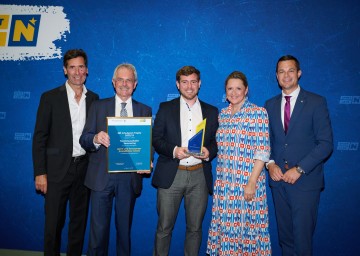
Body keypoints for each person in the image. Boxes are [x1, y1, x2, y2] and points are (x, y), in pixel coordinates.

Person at [79, 63, 152, 256]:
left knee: (124, 231)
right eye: (120, 79)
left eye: (129, 80)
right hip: (101, 177)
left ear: (135, 84)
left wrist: (147, 160)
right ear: (113, 82)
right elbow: (84, 138)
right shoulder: (98, 106)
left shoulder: (145, 110)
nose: (124, 84)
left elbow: (148, 143)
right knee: (97, 233)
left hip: (129, 178)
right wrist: (95, 138)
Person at [264, 55, 333, 255]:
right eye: (282, 71)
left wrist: (300, 168)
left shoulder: (316, 102)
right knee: (285, 240)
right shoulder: (269, 105)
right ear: (276, 76)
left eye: (291, 70)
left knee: (302, 242)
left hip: (305, 183)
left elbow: (326, 144)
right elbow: (265, 142)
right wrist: (270, 164)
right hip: (279, 182)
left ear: (299, 73)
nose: (286, 75)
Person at [32, 49, 99, 255]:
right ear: (65, 70)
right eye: (72, 67)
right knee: (53, 225)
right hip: (56, 172)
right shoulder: (50, 98)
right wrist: (40, 173)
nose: (77, 72)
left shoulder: (94, 99)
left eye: (81, 67)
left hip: (84, 170)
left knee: (78, 225)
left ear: (86, 70)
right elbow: (39, 138)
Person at [152, 65, 219, 256]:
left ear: (199, 84)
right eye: (184, 82)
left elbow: (216, 142)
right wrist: (174, 151)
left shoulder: (212, 111)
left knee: (195, 229)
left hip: (199, 176)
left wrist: (208, 152)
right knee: (164, 228)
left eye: (193, 82)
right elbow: (156, 139)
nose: (189, 86)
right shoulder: (165, 108)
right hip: (171, 175)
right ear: (177, 84)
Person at [206, 71, 272, 255]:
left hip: (247, 184)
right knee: (227, 234)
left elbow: (263, 151)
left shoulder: (257, 113)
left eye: (238, 88)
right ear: (225, 91)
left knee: (248, 231)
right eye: (230, 88)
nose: (234, 92)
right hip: (225, 186)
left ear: (246, 90)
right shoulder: (223, 115)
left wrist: (251, 183)